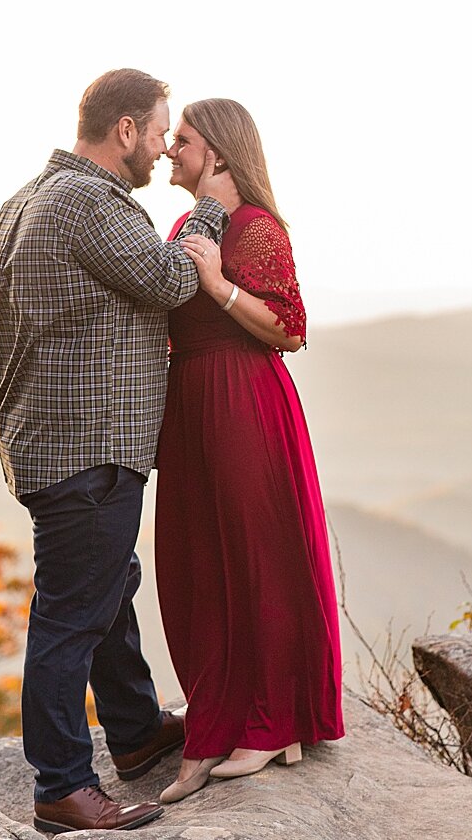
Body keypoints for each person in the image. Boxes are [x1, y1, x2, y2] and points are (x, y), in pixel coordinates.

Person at [0, 69, 240, 834]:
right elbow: (171, 280)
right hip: (87, 449)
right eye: (161, 130)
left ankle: (134, 732)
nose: (165, 145)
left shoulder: (25, 200)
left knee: (106, 586)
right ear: (125, 129)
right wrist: (211, 209)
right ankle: (62, 784)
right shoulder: (90, 204)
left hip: (51, 441)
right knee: (71, 616)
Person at [152, 98, 344, 805]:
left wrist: (218, 285)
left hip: (243, 399)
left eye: (184, 140)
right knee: (201, 558)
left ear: (221, 153)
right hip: (193, 402)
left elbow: (290, 328)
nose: (171, 150)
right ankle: (219, 718)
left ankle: (271, 719)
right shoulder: (184, 224)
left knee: (257, 554)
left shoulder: (257, 229)